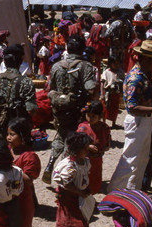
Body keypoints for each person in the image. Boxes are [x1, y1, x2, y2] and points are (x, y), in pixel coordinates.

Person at [108, 40, 152, 192]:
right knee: (130, 160)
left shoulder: (144, 75)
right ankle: (115, 192)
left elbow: (146, 99)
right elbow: (132, 107)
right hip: (138, 121)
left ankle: (132, 191)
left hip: (144, 120)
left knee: (141, 160)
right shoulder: (136, 78)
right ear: (147, 59)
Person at [43, 35, 96, 184]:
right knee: (71, 140)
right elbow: (90, 88)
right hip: (76, 110)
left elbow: (50, 87)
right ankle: (63, 170)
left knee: (60, 136)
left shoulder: (56, 66)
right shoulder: (86, 66)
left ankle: (50, 164)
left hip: (59, 109)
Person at [0, 44, 37, 145]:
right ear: (21, 61)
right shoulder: (26, 82)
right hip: (18, 135)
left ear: (4, 61)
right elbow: (32, 111)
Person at [7, 118, 41, 227]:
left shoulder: (29, 156)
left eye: (12, 134)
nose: (8, 137)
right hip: (8, 198)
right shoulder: (8, 150)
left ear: (22, 136)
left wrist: (9, 172)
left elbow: (28, 179)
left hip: (23, 199)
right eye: (7, 133)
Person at [52, 132, 92, 227]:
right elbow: (67, 184)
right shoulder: (69, 166)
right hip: (69, 195)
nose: (87, 150)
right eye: (85, 148)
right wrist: (80, 192)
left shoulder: (85, 162)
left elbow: (85, 175)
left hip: (78, 193)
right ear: (77, 150)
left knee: (78, 215)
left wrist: (87, 188)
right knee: (68, 216)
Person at [77, 101, 111, 194]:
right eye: (88, 115)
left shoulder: (105, 128)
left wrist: (105, 147)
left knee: (95, 181)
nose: (90, 118)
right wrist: (87, 146)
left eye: (93, 116)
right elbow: (75, 143)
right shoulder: (83, 128)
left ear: (100, 116)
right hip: (84, 161)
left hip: (97, 161)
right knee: (84, 182)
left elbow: (108, 142)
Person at [100, 55, 124, 128]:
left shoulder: (120, 72)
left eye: (118, 63)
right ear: (110, 64)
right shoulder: (106, 72)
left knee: (115, 108)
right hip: (108, 93)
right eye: (115, 64)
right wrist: (102, 94)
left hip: (116, 93)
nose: (117, 65)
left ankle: (114, 123)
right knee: (105, 108)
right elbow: (102, 83)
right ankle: (104, 122)